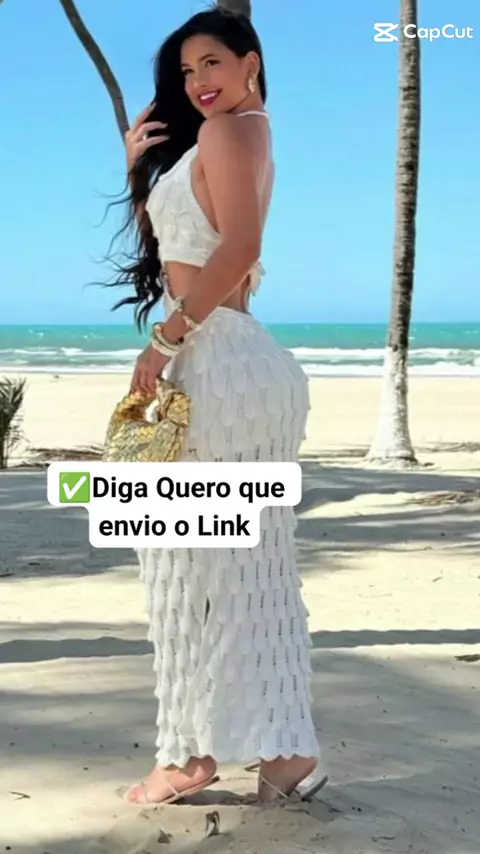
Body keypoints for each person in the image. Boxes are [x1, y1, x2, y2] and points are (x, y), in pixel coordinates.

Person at [111, 8, 324, 805]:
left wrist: (165, 341)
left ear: (250, 62)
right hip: (227, 360)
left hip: (219, 363)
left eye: (211, 62)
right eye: (186, 70)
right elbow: (185, 247)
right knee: (230, 567)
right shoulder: (236, 136)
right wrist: (138, 170)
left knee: (199, 566)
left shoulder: (232, 132)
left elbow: (239, 248)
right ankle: (276, 754)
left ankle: (196, 753)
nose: (198, 81)